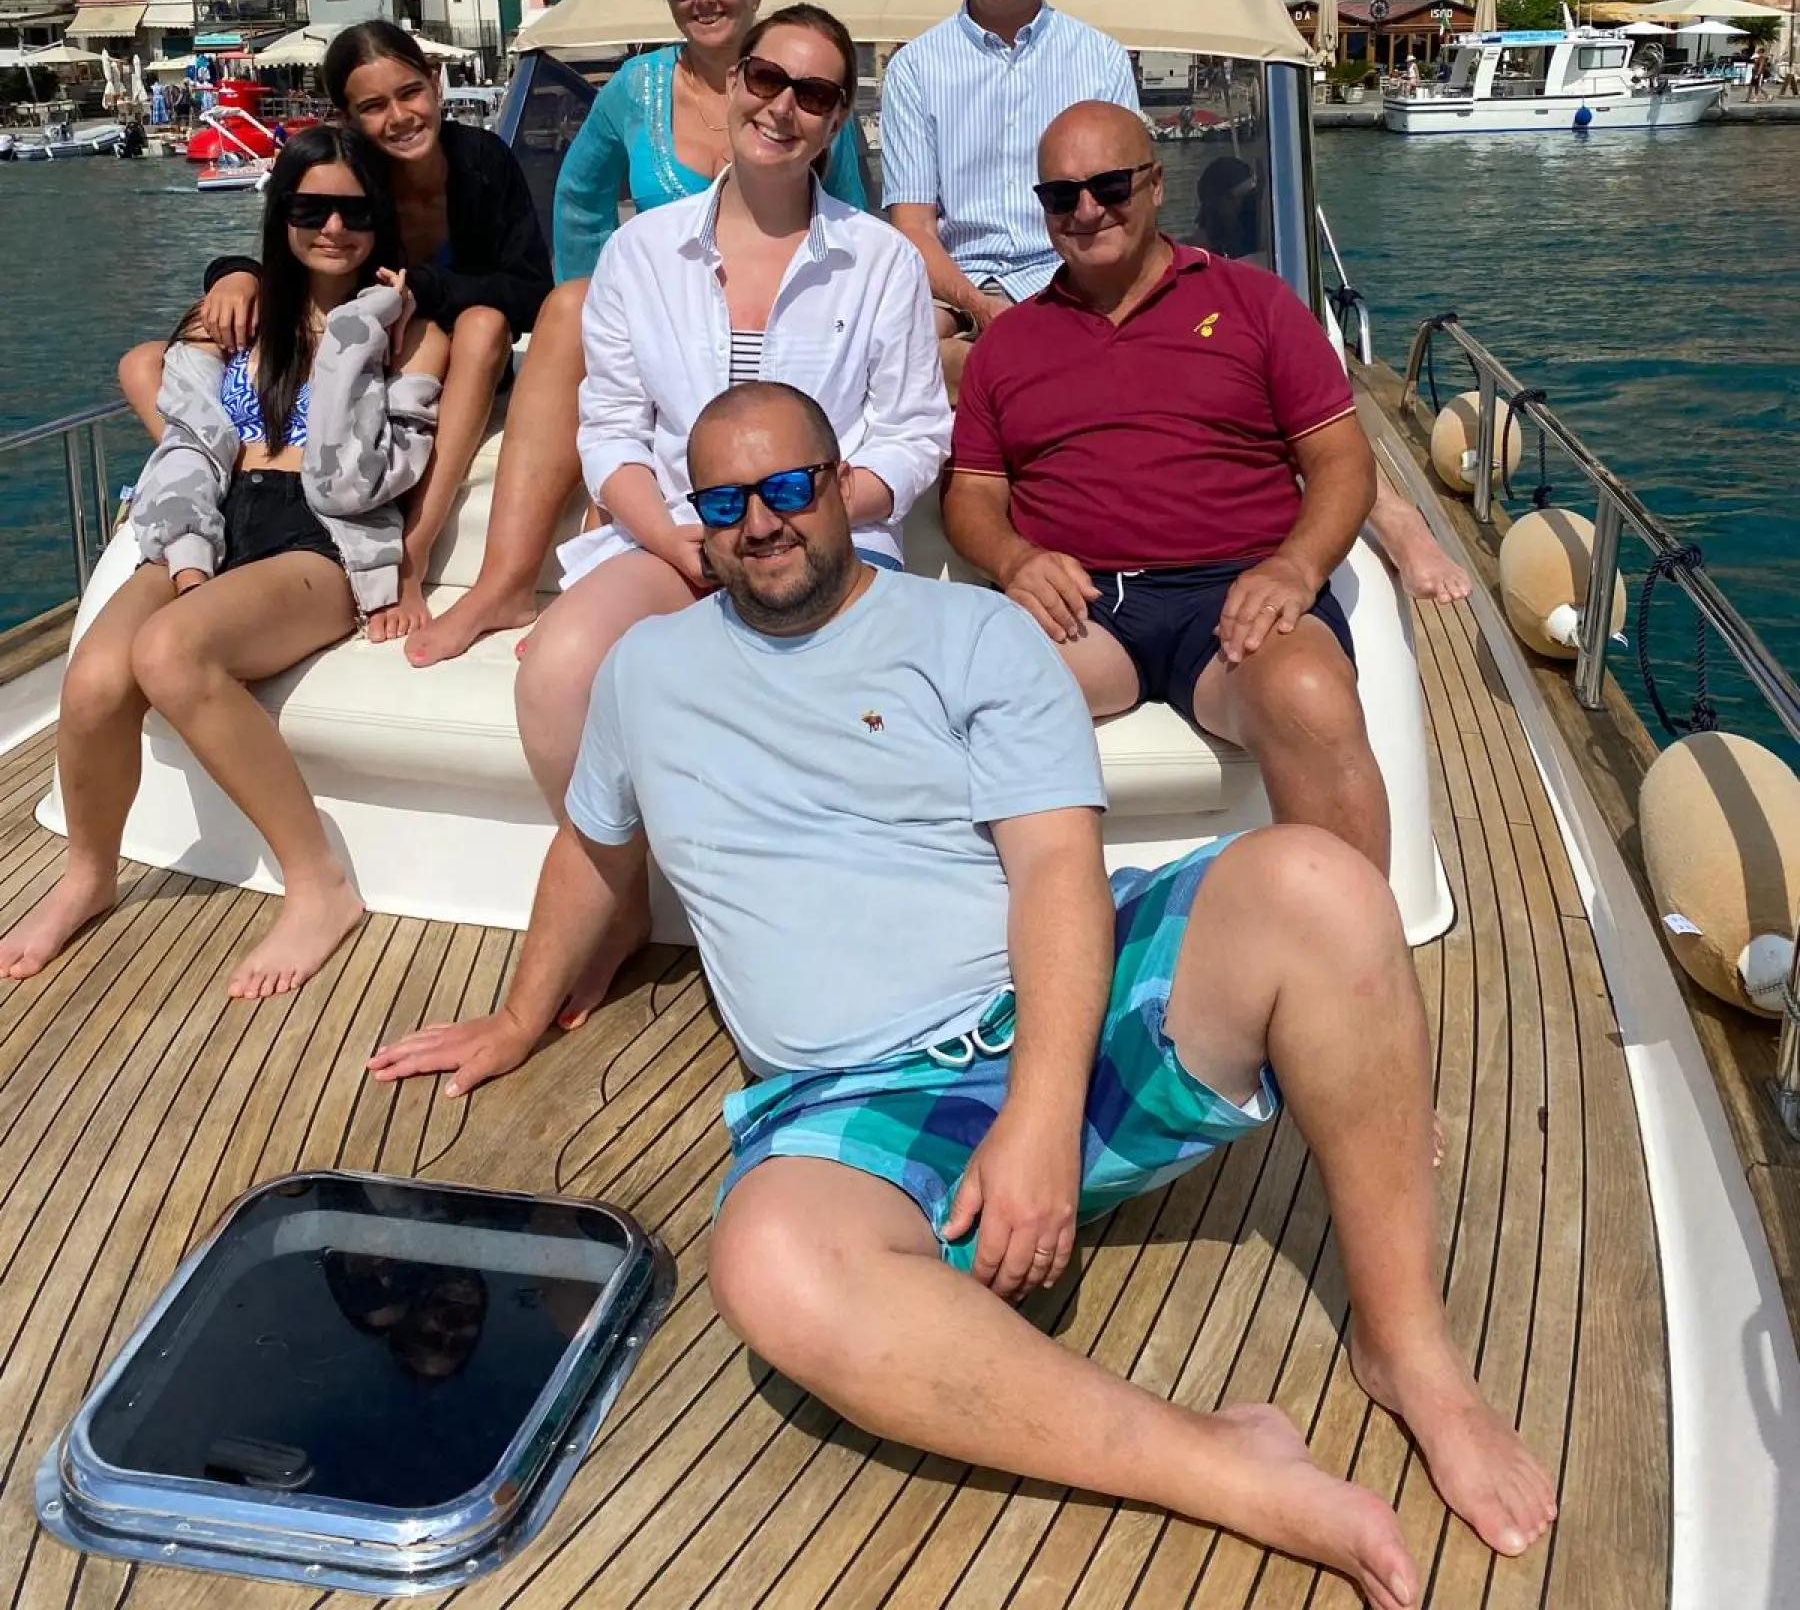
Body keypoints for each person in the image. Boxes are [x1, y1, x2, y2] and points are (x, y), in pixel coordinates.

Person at [370, 383, 1555, 1606]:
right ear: (698, 521)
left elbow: (1056, 871)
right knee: (773, 1264)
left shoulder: (971, 633)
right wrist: (518, 1016)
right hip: (860, 1096)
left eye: (788, 488)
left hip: (1052, 1014)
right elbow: (592, 851)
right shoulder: (644, 673)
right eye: (725, 503)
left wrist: (1038, 1118)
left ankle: (1410, 1354)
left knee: (1322, 885)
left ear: (841, 485)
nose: (761, 523)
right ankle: (1216, 1463)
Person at [506, 2, 947, 968]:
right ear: (737, 83)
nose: (782, 107)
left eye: (813, 94)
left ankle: (835, 943)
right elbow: (611, 429)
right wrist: (674, 538)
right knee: (558, 670)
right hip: (679, 535)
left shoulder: (880, 260)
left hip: (831, 543)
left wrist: (815, 512)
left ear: (837, 122)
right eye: (767, 79)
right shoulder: (640, 252)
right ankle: (619, 898)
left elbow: (915, 435)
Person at [1, 128, 447, 999]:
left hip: (320, 536)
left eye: (355, 211)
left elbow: (362, 480)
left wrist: (357, 332)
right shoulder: (239, 317)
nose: (333, 228)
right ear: (279, 215)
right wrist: (233, 284)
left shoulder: (411, 333)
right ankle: (88, 875)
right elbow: (182, 421)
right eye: (309, 208)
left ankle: (318, 882)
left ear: (381, 221)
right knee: (91, 679)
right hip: (216, 516)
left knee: (170, 653)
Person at [407, 0, 864, 666]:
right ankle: (504, 581)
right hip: (665, 319)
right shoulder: (636, 88)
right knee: (567, 307)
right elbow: (579, 198)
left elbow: (849, 215)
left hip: (772, 311)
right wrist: (603, 298)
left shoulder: (804, 91)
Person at [942, 101, 1390, 867]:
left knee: (1309, 698)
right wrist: (1014, 560)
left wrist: (1295, 567)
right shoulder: (1006, 344)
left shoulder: (1256, 304)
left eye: (1110, 187)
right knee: (956, 700)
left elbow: (1341, 461)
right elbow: (973, 495)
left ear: (1155, 185)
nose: (1087, 210)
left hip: (1236, 591)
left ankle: (1348, 930)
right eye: (1061, 195)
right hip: (1081, 602)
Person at [117, 21, 551, 648]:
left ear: (435, 83)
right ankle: (227, 473)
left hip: (453, 344)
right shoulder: (354, 173)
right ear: (347, 117)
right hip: (370, 348)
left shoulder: (482, 163)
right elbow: (298, 243)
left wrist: (426, 290)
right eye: (373, 106)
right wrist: (235, 273)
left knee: (483, 327)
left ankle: (414, 548)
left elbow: (531, 291)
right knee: (145, 362)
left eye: (410, 92)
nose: (399, 117)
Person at [880, 0, 1139, 393]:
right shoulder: (914, 70)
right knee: (898, 355)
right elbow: (914, 228)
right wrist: (980, 307)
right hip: (955, 289)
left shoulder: (1102, 61)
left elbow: (1122, 210)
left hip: (1071, 277)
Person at [1193, 155, 1468, 606]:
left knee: (1269, 390)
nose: (1243, 207)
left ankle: (1391, 514)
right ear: (1213, 203)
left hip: (1257, 345)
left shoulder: (1262, 271)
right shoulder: (1187, 263)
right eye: (1234, 199)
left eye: (1248, 200)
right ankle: (1392, 513)